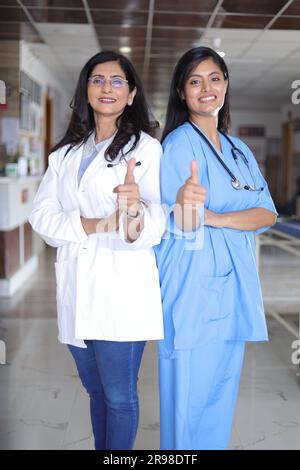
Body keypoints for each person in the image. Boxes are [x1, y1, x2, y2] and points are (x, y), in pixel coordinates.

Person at [29, 51, 165, 450]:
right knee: (94, 392)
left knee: (120, 397)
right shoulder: (65, 155)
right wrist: (95, 225)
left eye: (117, 81)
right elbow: (42, 217)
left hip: (120, 294)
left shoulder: (146, 150)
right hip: (76, 290)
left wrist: (135, 209)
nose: (107, 88)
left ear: (131, 93)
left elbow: (157, 224)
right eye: (98, 80)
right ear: (86, 90)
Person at [154, 46, 277, 450]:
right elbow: (184, 220)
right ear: (181, 91)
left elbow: (267, 215)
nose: (207, 88)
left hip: (233, 285)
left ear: (226, 85)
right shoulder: (177, 145)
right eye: (195, 80)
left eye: (215, 78)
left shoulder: (238, 149)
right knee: (187, 396)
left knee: (220, 392)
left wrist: (218, 217)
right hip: (191, 287)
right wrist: (194, 208)